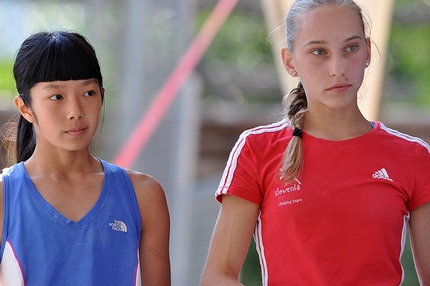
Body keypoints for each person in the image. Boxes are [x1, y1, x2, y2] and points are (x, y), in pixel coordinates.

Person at [200, 0, 430, 285]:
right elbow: (217, 275)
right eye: (319, 52)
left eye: (351, 48)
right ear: (289, 61)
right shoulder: (256, 148)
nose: (338, 68)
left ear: (368, 51)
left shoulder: (413, 156)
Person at [0, 31, 171, 286]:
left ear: (102, 95)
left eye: (88, 93)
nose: (75, 111)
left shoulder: (144, 195)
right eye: (56, 96)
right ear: (25, 108)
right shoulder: (5, 197)